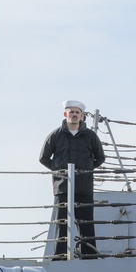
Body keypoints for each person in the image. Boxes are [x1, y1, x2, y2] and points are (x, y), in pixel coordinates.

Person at [38, 100, 106, 259]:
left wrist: (86, 170)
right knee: (62, 223)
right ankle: (60, 255)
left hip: (84, 187)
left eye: (77, 113)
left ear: (82, 116)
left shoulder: (90, 136)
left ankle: (89, 255)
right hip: (63, 187)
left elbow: (100, 157)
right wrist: (59, 171)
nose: (74, 115)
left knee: (86, 223)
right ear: (65, 114)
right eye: (71, 112)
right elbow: (44, 157)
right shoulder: (55, 135)